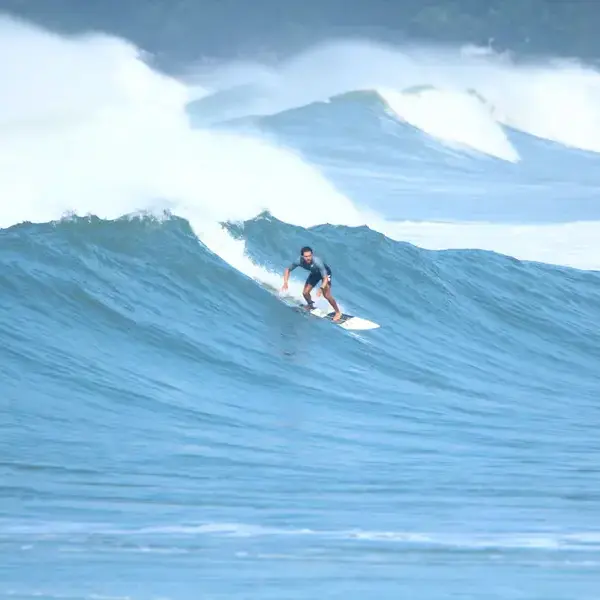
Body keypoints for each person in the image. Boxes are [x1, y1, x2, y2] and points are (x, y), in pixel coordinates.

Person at [281, 246, 342, 321]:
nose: (308, 258)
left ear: (312, 255)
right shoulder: (298, 261)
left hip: (326, 274)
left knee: (326, 295)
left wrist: (321, 288)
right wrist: (285, 282)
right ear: (302, 256)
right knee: (305, 293)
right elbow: (287, 269)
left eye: (310, 256)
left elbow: (325, 278)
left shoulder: (317, 262)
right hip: (315, 274)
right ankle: (310, 305)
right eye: (306, 256)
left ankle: (338, 312)